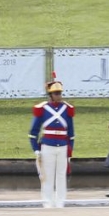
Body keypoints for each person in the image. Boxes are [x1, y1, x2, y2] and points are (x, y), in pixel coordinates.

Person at [28, 80, 75, 208]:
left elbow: (71, 132)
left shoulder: (67, 108)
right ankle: (47, 202)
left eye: (59, 93)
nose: (58, 96)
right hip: (47, 146)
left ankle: (60, 202)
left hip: (63, 146)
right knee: (47, 176)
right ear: (50, 95)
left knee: (61, 176)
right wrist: (36, 149)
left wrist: (70, 150)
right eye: (56, 93)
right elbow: (33, 131)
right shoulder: (43, 109)